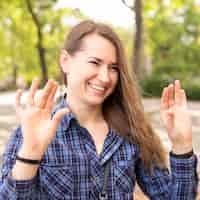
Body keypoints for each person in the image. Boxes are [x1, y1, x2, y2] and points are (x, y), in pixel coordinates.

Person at [0, 20, 198, 199]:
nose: (105, 77)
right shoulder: (32, 132)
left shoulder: (131, 130)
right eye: (95, 62)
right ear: (65, 61)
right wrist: (30, 155)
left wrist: (182, 146)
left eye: (113, 67)